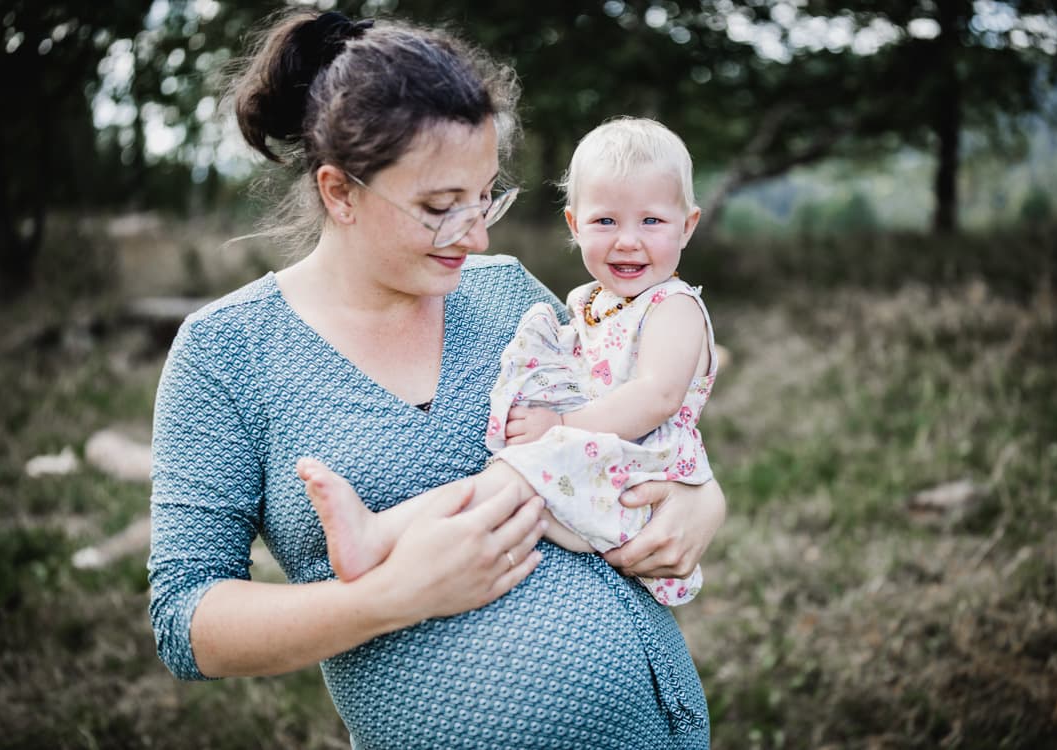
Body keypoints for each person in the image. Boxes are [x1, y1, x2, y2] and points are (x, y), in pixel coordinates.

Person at [148, 10, 725, 749]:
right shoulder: (228, 352)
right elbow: (186, 622)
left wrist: (702, 498)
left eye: (486, 197)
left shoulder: (510, 293)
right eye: (440, 208)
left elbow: (637, 418)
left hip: (653, 723)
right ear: (339, 192)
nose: (477, 235)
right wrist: (393, 597)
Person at [300, 117, 715, 607]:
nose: (627, 240)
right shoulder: (589, 301)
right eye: (605, 221)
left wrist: (562, 424)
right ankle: (386, 543)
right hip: (605, 471)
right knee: (514, 487)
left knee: (514, 477)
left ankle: (378, 535)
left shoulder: (673, 307)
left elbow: (658, 396)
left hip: (635, 480)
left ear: (687, 226)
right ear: (573, 225)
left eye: (652, 221)